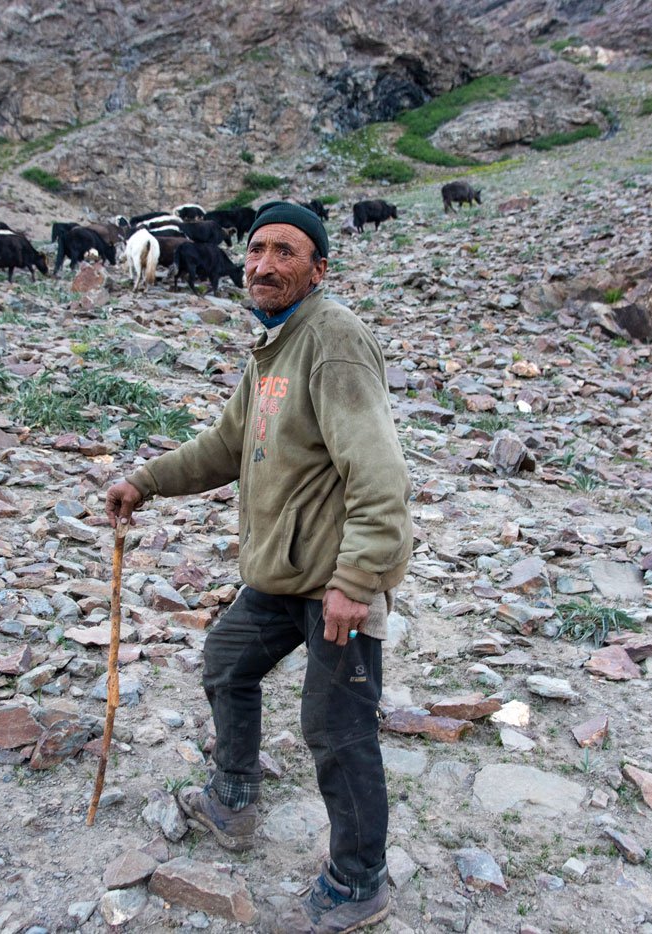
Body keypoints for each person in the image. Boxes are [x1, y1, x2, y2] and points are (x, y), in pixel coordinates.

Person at [105, 201, 411, 933]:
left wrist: (356, 584)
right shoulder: (274, 346)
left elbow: (381, 474)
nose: (265, 264)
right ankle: (233, 799)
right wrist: (144, 481)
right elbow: (223, 446)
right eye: (257, 250)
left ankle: (360, 880)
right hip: (283, 574)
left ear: (318, 269)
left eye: (286, 252)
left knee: (337, 730)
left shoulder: (331, 340)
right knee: (227, 663)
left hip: (336, 580)